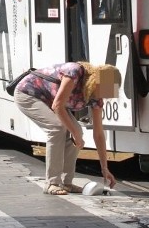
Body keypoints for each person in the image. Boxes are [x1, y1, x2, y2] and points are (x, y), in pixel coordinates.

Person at [14, 61, 118, 195]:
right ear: (94, 83)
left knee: (77, 131)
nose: (101, 96)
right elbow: (57, 106)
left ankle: (66, 182)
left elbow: (98, 133)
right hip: (28, 93)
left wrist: (105, 168)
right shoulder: (74, 72)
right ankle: (52, 183)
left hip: (50, 99)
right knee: (57, 128)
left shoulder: (96, 97)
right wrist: (75, 134)